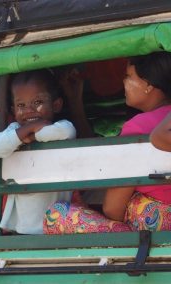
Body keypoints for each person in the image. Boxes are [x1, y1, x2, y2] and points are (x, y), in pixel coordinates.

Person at [45, 51, 171, 234]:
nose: (124, 82)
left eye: (128, 76)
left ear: (148, 85)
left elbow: (113, 208)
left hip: (156, 226)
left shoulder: (137, 127)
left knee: (57, 214)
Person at [0, 69, 76, 234]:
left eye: (37, 102)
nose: (28, 110)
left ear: (56, 105)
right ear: (13, 110)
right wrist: (25, 131)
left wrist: (28, 134)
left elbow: (63, 132)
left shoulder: (63, 126)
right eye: (21, 105)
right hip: (21, 229)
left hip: (58, 226)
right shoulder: (14, 130)